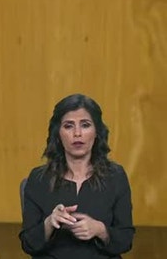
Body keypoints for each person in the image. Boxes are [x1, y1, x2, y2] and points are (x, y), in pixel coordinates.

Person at [19, 94, 134, 258]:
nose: (77, 133)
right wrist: (50, 223)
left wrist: (100, 230)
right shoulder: (39, 179)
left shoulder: (115, 176)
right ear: (58, 133)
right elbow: (28, 244)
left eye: (85, 125)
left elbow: (126, 240)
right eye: (68, 126)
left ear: (97, 132)